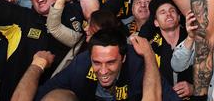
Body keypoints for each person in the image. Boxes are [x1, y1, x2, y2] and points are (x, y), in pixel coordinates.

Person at [33, 28, 167, 101]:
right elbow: (40, 95)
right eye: (96, 62)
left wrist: (149, 55)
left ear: (123, 58)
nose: (103, 71)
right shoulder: (82, 62)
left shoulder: (139, 63)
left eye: (111, 62)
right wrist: (36, 66)